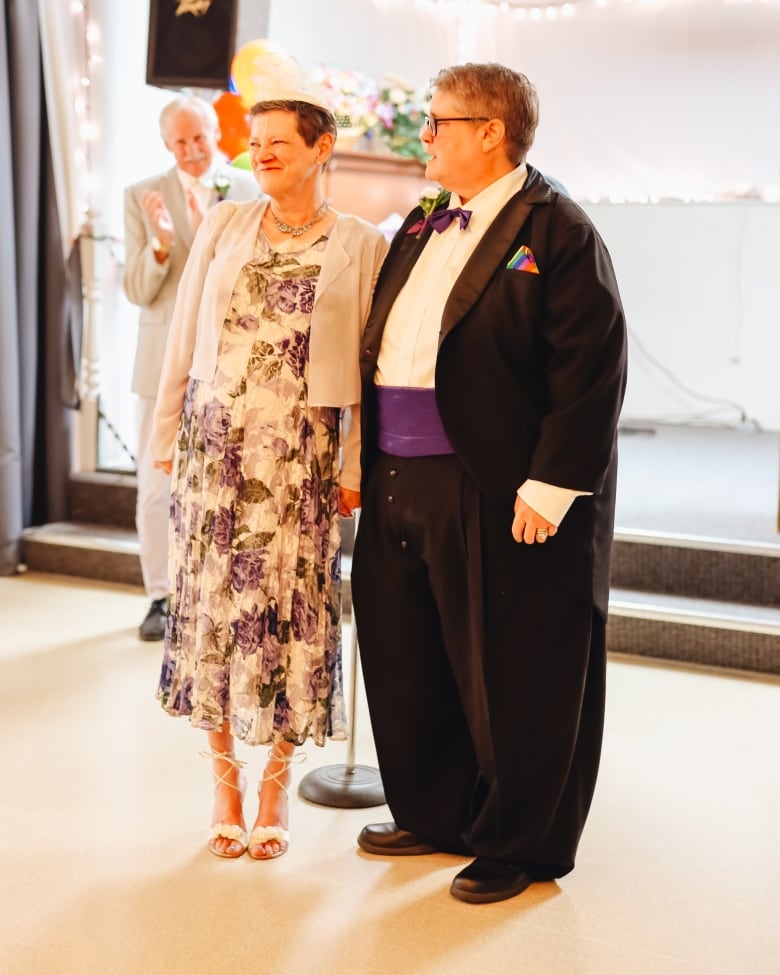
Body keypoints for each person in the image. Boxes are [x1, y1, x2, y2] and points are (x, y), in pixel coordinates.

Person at [351, 63, 627, 904]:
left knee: (515, 669)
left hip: (500, 483)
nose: (423, 135)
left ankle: (520, 842)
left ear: (489, 131)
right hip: (400, 473)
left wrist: (549, 488)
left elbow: (591, 370)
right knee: (410, 655)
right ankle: (436, 811)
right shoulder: (422, 219)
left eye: (437, 123)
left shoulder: (559, 229)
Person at [149, 86, 388, 860]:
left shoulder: (359, 242)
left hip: (301, 459)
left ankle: (277, 781)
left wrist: (355, 462)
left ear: (323, 148)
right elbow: (183, 336)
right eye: (256, 143)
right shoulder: (224, 222)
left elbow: (368, 368)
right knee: (215, 610)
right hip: (214, 447)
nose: (265, 154)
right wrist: (164, 434)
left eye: (280, 141)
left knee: (289, 616)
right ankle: (223, 780)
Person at [123, 94, 258, 641]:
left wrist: (212, 239)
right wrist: (160, 246)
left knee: (227, 482)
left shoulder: (248, 191)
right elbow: (136, 291)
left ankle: (210, 591)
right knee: (156, 486)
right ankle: (159, 594)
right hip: (160, 362)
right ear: (165, 145)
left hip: (228, 360)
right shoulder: (141, 196)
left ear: (215, 133)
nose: (191, 151)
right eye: (179, 142)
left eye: (198, 138)